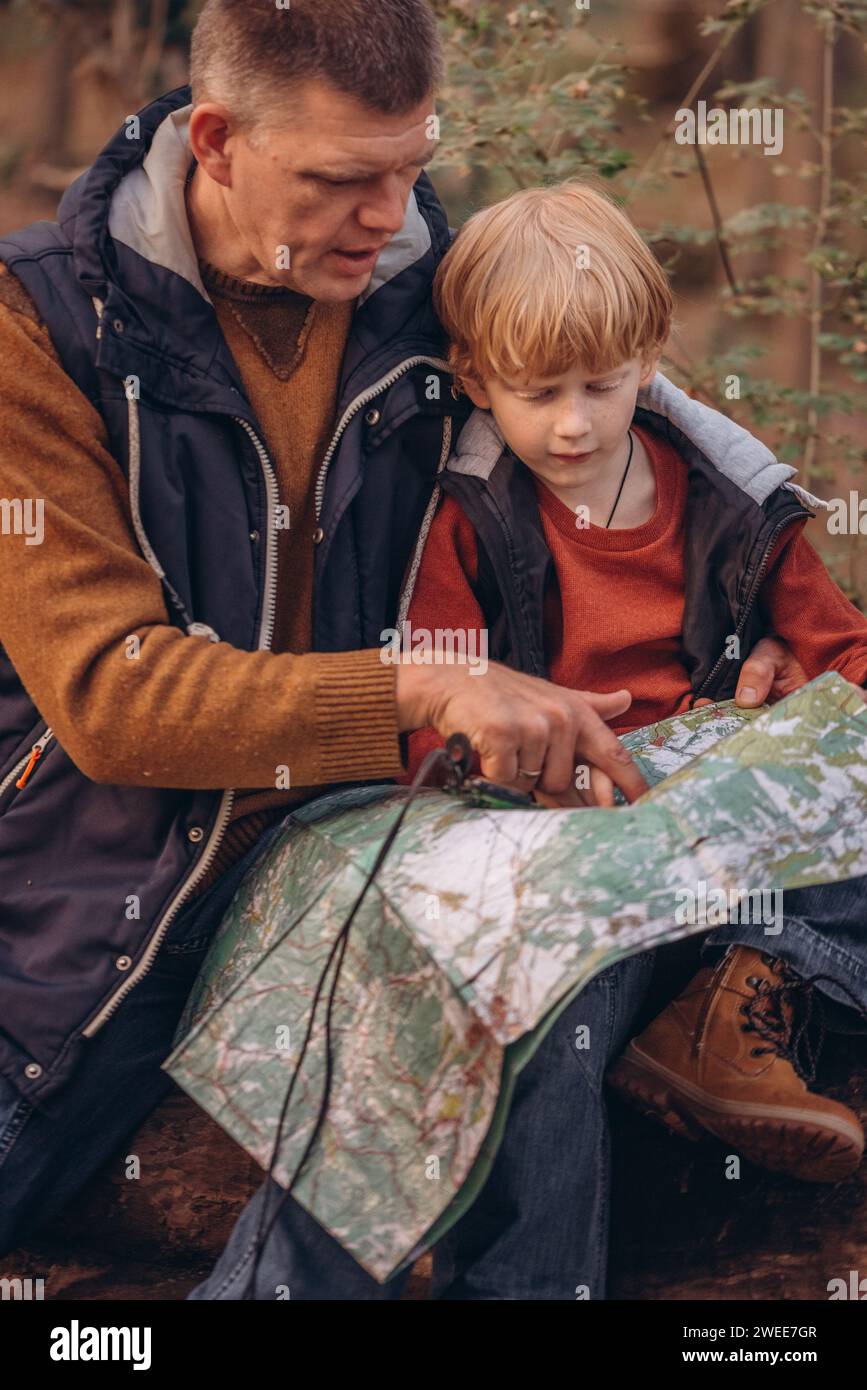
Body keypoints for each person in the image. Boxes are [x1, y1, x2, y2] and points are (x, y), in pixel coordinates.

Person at [0, 0, 806, 1300]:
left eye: (408, 161)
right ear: (214, 139)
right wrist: (425, 683)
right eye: (340, 179)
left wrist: (766, 578)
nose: (391, 216)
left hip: (365, 851)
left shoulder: (417, 282)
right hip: (78, 910)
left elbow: (627, 384)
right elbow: (110, 693)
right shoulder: (37, 330)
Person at [401, 178, 867, 1188]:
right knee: (545, 1010)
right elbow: (432, 718)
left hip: (715, 810)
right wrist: (505, 774)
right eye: (539, 392)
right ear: (476, 379)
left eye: (601, 386)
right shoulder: (472, 520)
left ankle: (743, 995)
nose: (573, 423)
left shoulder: (729, 503)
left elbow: (843, 651)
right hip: (566, 830)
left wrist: (818, 719)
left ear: (648, 362)